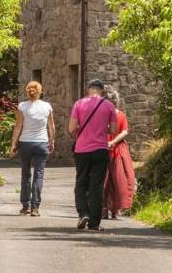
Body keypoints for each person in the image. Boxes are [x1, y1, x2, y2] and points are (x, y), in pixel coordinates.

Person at [68, 79, 118, 232]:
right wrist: (103, 129)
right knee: (96, 186)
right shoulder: (109, 106)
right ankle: (95, 223)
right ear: (102, 91)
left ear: (89, 89)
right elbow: (114, 130)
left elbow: (71, 128)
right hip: (101, 149)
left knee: (81, 182)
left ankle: (83, 213)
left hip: (82, 149)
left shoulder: (79, 104)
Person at [10, 81, 55, 217]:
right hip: (42, 143)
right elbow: (51, 127)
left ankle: (25, 205)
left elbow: (18, 126)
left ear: (28, 91)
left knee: (26, 174)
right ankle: (35, 207)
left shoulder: (23, 106)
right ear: (40, 91)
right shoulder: (47, 106)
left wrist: (13, 144)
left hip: (26, 143)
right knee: (39, 174)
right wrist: (52, 141)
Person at [102, 85, 136, 220]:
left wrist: (112, 141)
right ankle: (105, 208)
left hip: (116, 150)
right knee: (107, 180)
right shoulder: (106, 115)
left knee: (117, 180)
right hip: (107, 148)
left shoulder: (119, 115)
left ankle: (113, 208)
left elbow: (125, 131)